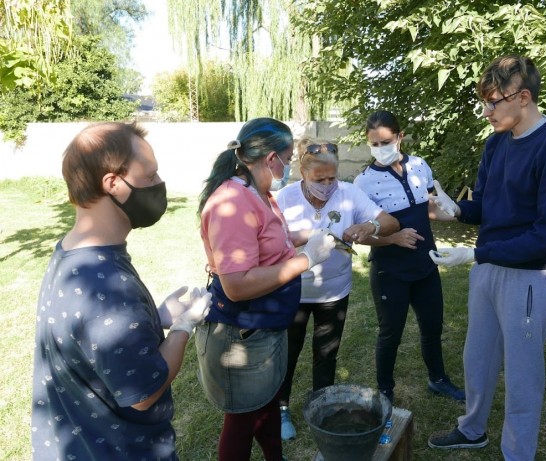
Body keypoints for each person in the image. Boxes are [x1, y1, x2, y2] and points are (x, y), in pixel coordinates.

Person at [427, 54, 546, 460]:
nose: (486, 111)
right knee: (476, 357)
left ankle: (517, 453)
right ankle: (472, 429)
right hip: (487, 267)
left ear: (524, 97)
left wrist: (475, 252)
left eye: (493, 102)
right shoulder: (496, 143)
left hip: (530, 277)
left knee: (522, 375)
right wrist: (457, 209)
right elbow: (486, 206)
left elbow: (544, 235)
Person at [31, 122, 212, 460]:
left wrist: (154, 319)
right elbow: (143, 391)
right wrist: (185, 326)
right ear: (114, 184)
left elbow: (91, 344)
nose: (160, 184)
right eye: (151, 176)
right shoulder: (107, 288)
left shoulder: (74, 256)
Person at [195, 118, 335, 461]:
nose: (287, 167)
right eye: (287, 160)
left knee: (267, 403)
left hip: (265, 327)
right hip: (241, 333)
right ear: (271, 158)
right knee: (241, 421)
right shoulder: (233, 202)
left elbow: (267, 242)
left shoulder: (257, 193)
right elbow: (237, 284)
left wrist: (303, 238)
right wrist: (306, 259)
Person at [275, 136, 400, 440]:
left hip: (334, 292)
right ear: (303, 174)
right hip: (294, 289)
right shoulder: (284, 198)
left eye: (332, 177)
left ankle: (322, 408)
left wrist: (368, 227)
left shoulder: (349, 194)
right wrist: (306, 235)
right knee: (287, 354)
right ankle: (281, 411)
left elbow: (391, 222)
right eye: (320, 179)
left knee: (326, 353)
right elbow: (269, 241)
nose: (327, 184)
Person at [352, 110, 466, 407]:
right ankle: (385, 390)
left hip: (426, 263)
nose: (380, 148)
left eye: (386, 141)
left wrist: (451, 212)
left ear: (400, 137)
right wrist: (393, 238)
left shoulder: (419, 166)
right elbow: (360, 235)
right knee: (391, 333)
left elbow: (428, 209)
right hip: (390, 269)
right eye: (374, 143)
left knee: (432, 326)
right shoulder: (364, 182)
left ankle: (438, 379)